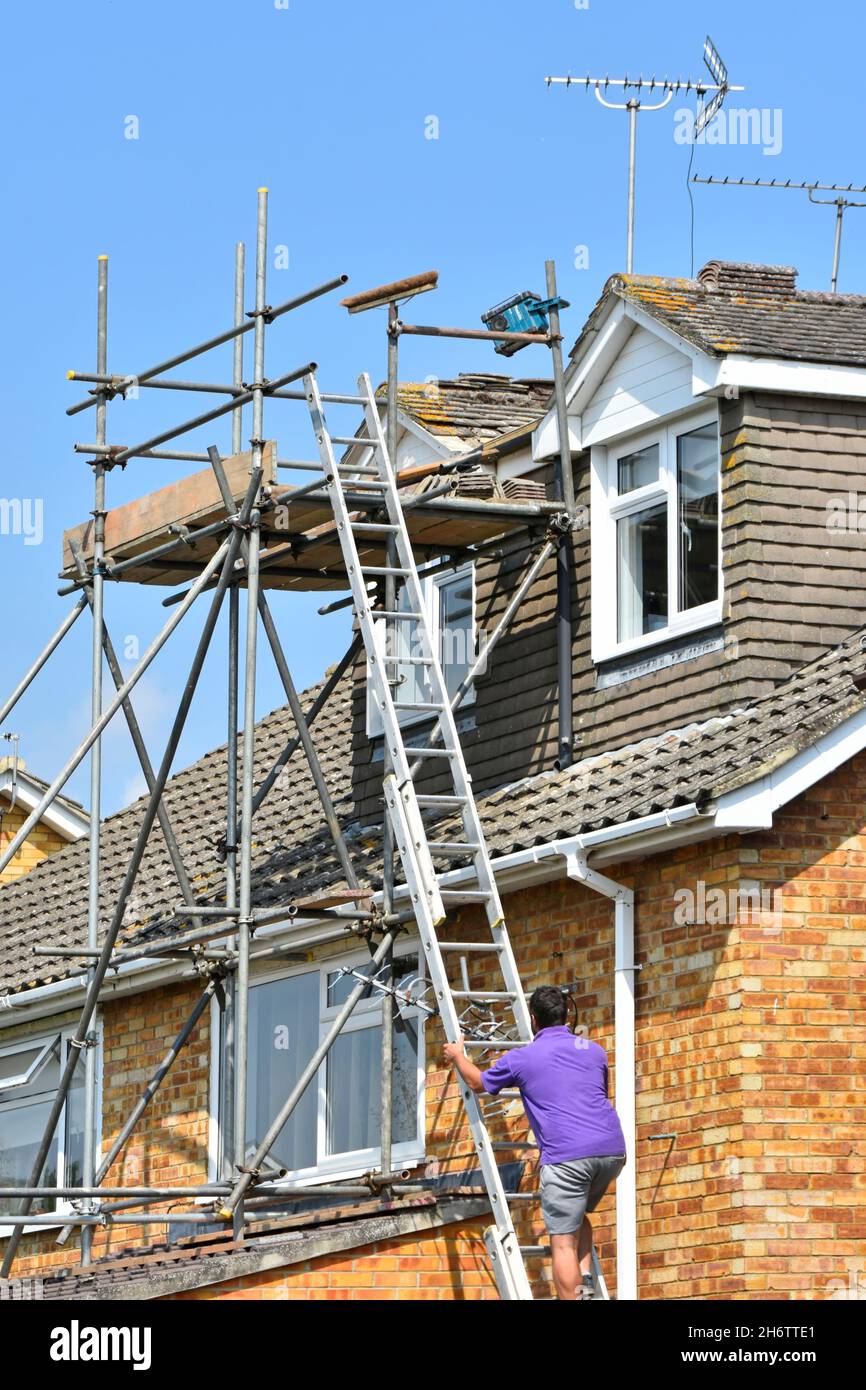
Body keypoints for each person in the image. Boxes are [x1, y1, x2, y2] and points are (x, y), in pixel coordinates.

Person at [443, 984, 626, 1301]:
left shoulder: (523, 1058)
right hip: (611, 1151)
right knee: (577, 1220)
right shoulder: (594, 1050)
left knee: (563, 1243)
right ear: (567, 1016)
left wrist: (458, 1056)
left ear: (533, 1019)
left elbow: (478, 1082)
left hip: (568, 1159)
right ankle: (584, 1291)